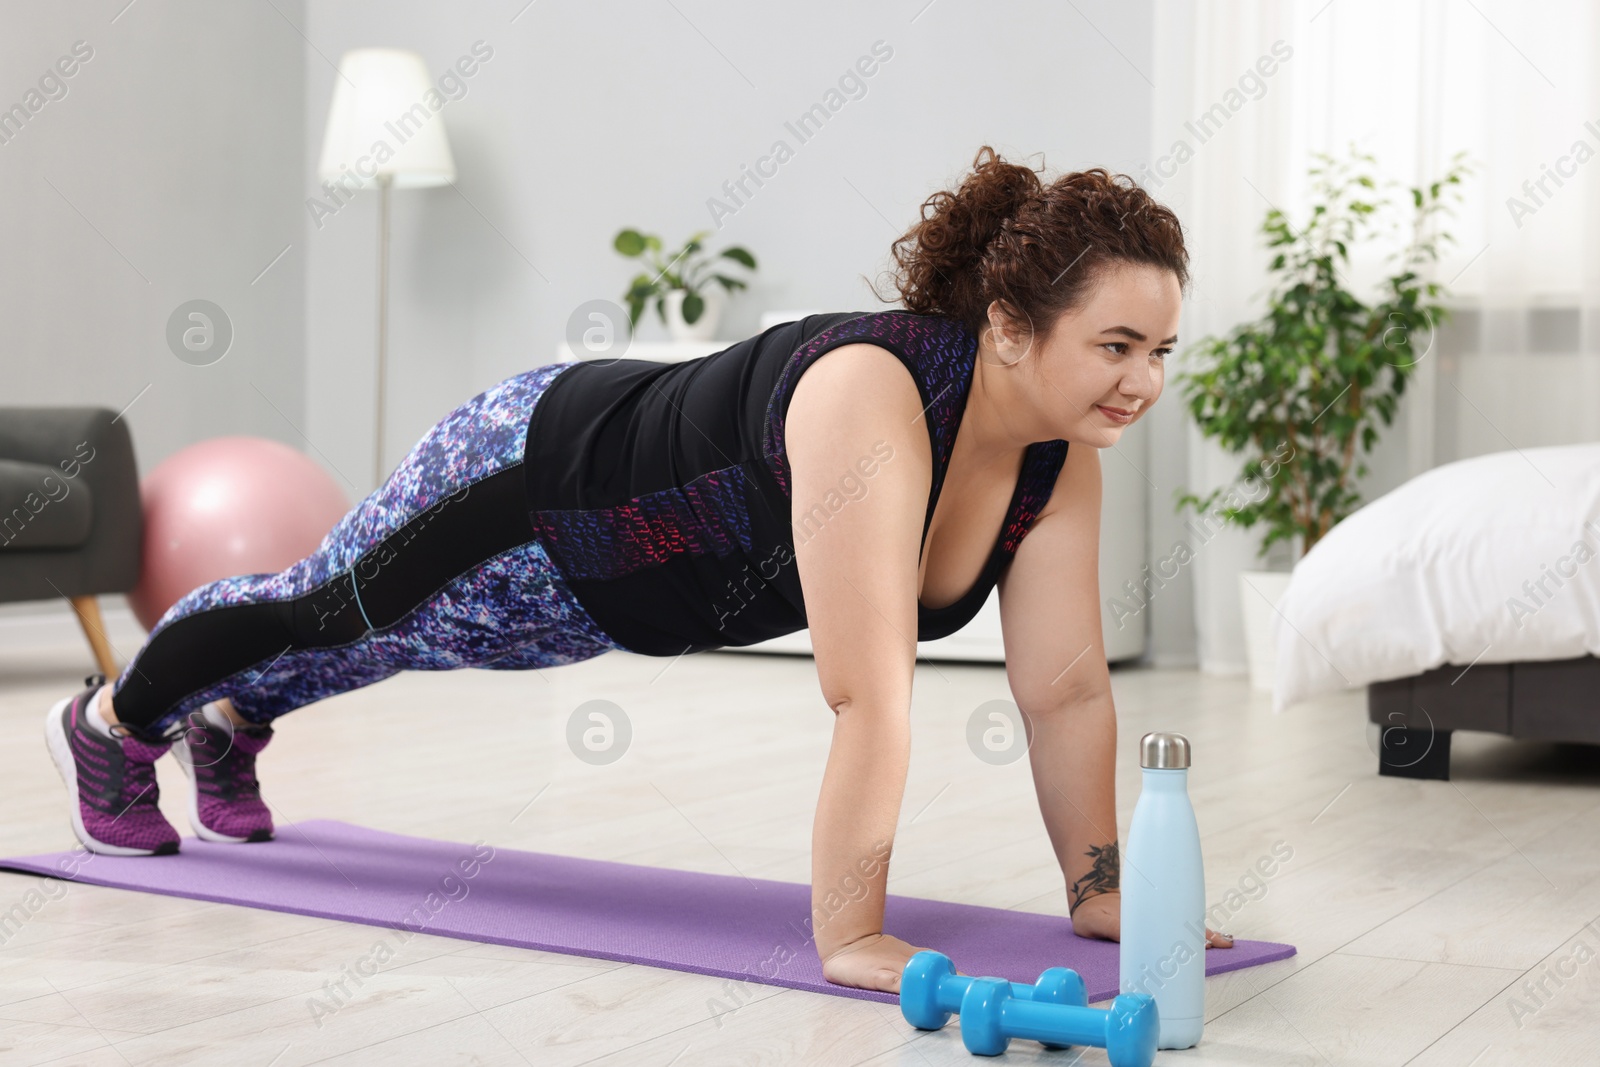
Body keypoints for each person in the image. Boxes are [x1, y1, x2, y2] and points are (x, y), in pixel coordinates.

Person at [44, 144, 1232, 994]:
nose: (1142, 380)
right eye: (1115, 345)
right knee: (331, 603)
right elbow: (866, 691)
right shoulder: (874, 395)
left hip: (606, 596)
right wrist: (850, 933)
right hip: (529, 480)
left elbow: (1066, 689)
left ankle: (238, 712)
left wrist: (1099, 891)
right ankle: (113, 721)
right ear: (1011, 328)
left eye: (1160, 350)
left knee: (398, 644)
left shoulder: (1054, 456)